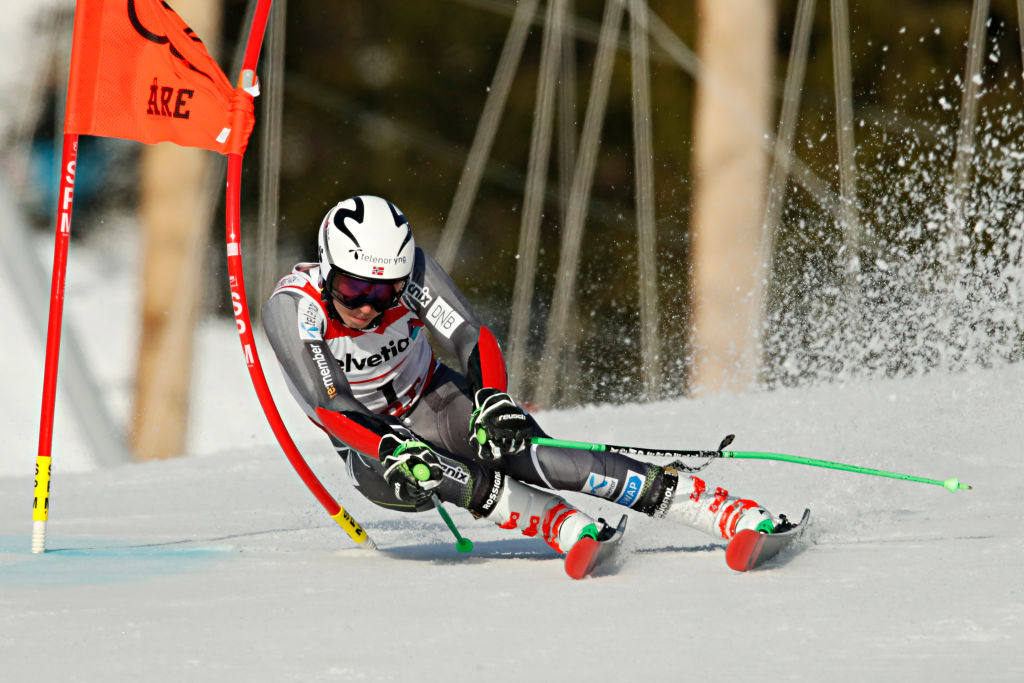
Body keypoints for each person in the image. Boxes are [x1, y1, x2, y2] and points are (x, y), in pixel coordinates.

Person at [263, 195, 785, 558]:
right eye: (355, 289)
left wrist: (491, 397)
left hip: (435, 399)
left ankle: (715, 509)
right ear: (328, 268)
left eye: (386, 293)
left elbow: (472, 336)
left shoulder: (414, 274)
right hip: (368, 447)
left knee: (531, 454)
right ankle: (553, 521)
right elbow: (333, 408)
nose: (369, 306)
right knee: (442, 474)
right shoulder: (296, 309)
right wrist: (394, 447)